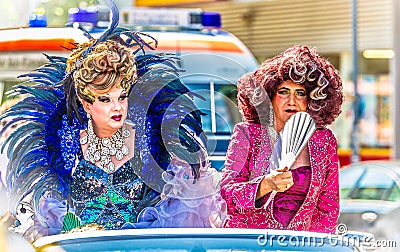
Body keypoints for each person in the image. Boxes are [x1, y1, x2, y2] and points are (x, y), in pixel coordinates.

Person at [1, 0, 225, 243]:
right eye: (105, 99)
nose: (117, 107)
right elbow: (52, 221)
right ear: (86, 104)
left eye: (122, 96)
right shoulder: (64, 148)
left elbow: (179, 220)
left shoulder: (153, 142)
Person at [220, 45, 344, 233]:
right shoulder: (247, 134)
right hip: (249, 244)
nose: (292, 101)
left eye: (300, 93)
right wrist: (265, 185)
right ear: (269, 96)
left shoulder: (324, 140)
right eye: (284, 91)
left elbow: (328, 208)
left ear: (312, 100)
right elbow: (227, 196)